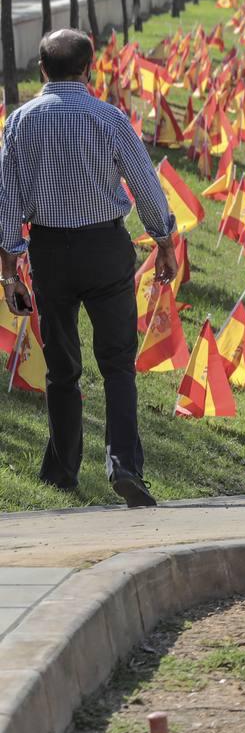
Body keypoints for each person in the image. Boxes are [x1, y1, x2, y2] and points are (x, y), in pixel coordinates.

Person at [0, 30, 177, 507]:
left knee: (61, 367)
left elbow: (7, 197)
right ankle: (124, 463)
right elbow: (144, 182)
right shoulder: (108, 118)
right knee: (118, 363)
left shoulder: (18, 122)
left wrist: (10, 267)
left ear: (41, 69)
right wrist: (163, 241)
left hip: (50, 253)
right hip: (105, 249)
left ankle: (61, 471)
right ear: (89, 67)